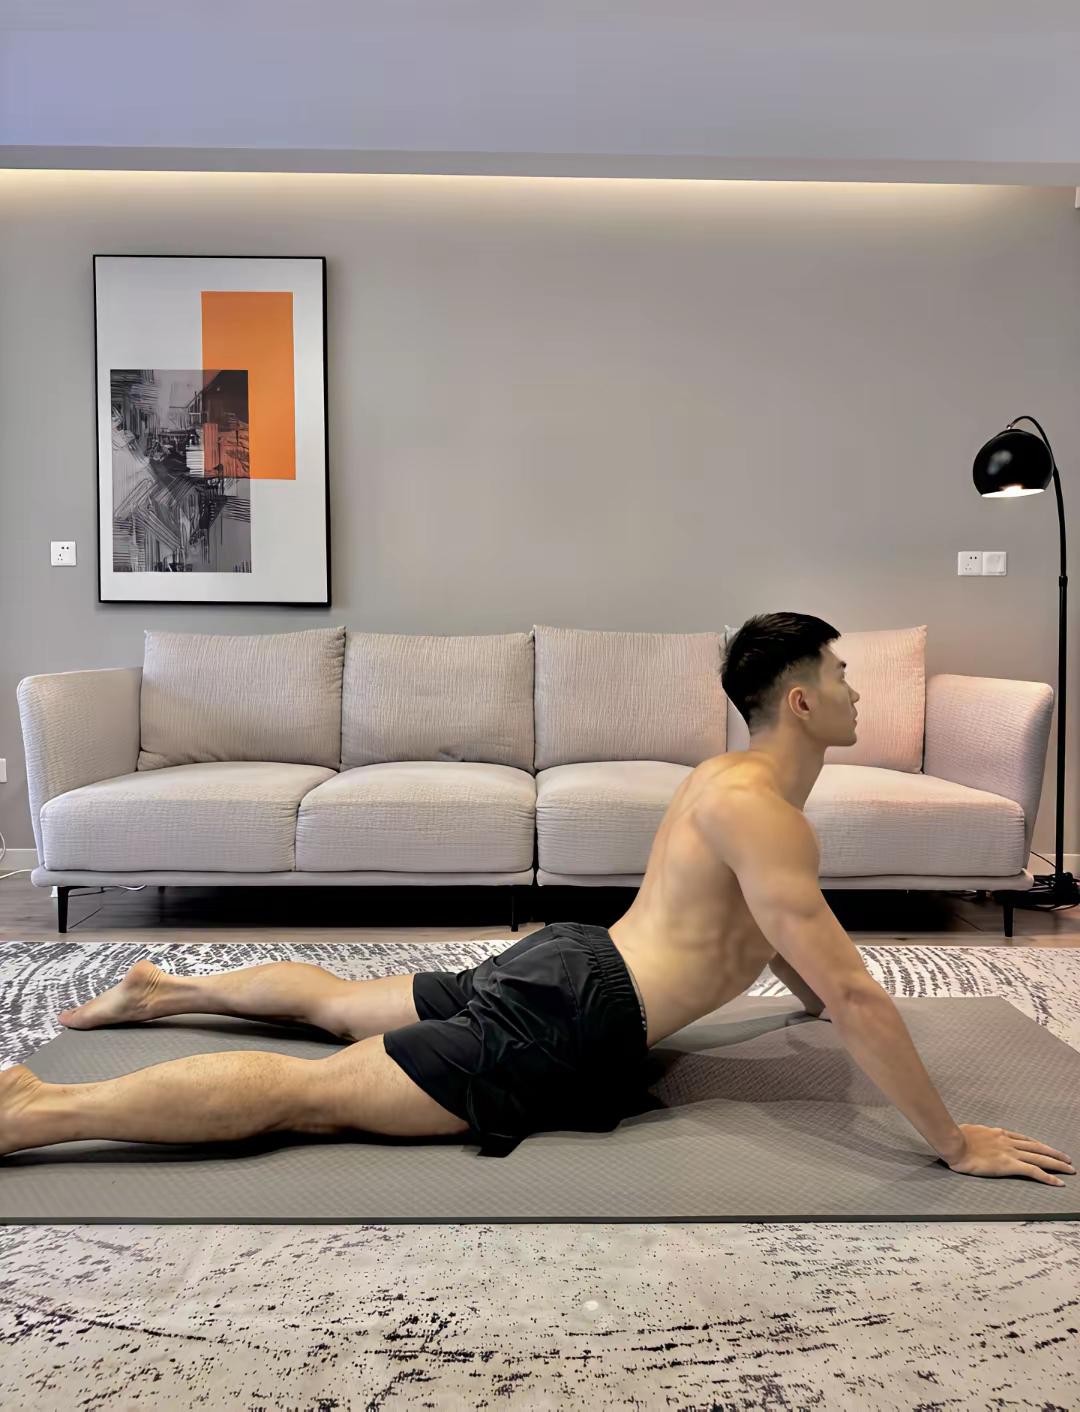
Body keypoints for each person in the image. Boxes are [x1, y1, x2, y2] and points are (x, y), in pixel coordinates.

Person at [0, 612, 1073, 1184]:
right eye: (842, 672)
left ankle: (164, 987)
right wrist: (952, 1140)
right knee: (312, 1093)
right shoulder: (769, 815)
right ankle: (40, 1112)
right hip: (573, 1019)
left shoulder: (727, 781)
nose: (857, 689)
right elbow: (860, 994)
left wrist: (797, 995)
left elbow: (768, 927)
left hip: (568, 961)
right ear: (799, 699)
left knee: (336, 1001)